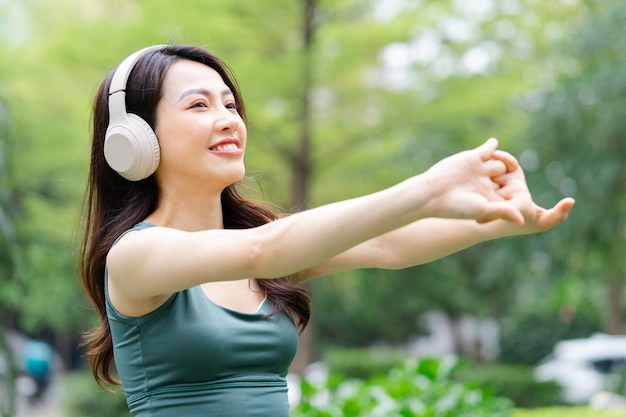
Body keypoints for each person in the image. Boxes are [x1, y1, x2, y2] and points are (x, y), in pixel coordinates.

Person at [78, 44, 575, 417]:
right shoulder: (134, 256)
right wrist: (427, 189)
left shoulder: (265, 241)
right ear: (135, 139)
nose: (228, 119)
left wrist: (497, 221)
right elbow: (261, 251)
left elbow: (386, 243)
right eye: (199, 105)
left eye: (230, 105)